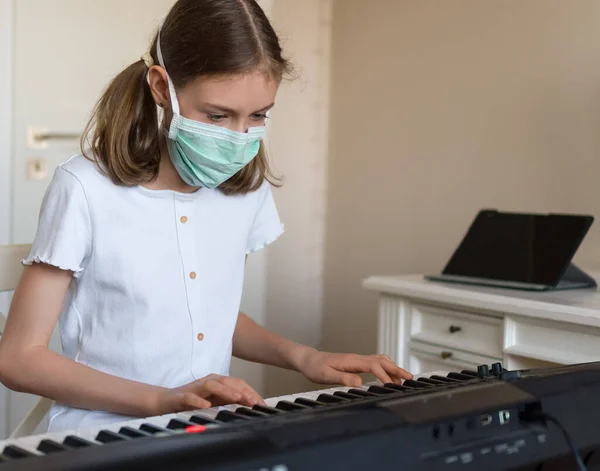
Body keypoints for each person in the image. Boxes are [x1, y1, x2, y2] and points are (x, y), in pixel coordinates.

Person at [0, 0, 411, 433]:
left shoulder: (246, 187)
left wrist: (303, 357)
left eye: (257, 116)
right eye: (217, 115)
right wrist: (160, 401)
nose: (237, 140)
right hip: (102, 434)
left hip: (204, 430)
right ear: (162, 88)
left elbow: (208, 313)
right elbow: (19, 358)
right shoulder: (84, 188)